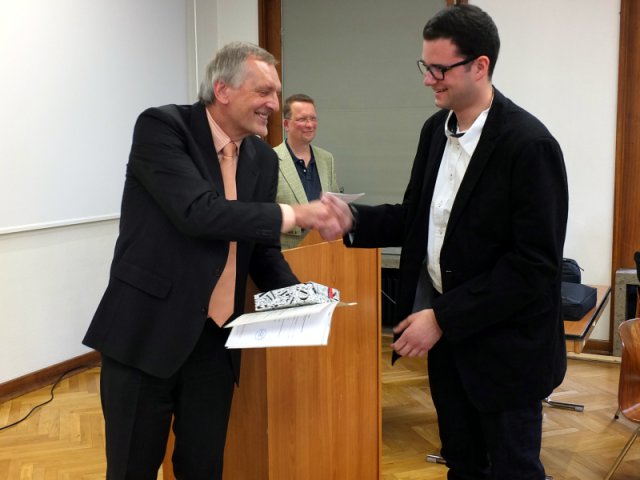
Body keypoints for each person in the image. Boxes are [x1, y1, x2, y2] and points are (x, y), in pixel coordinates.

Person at [322, 5, 569, 479]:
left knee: (513, 470)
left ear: (480, 66)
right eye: (425, 66)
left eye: (439, 69)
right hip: (452, 349)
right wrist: (351, 219)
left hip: (507, 352)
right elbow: (416, 217)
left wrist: (441, 317)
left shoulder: (529, 145)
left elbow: (533, 266)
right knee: (462, 464)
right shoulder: (434, 131)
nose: (427, 79)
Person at [83, 41, 341, 480]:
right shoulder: (163, 128)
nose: (273, 105)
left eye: (277, 94)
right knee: (131, 470)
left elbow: (261, 250)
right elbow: (198, 213)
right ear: (223, 90)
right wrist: (295, 214)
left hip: (215, 342)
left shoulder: (261, 158)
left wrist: (300, 298)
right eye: (264, 92)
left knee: (203, 468)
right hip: (146, 334)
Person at [274, 94, 341, 248]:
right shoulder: (270, 159)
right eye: (302, 119)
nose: (310, 125)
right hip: (285, 254)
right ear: (286, 124)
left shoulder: (326, 159)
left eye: (313, 118)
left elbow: (334, 202)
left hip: (323, 251)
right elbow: (264, 213)